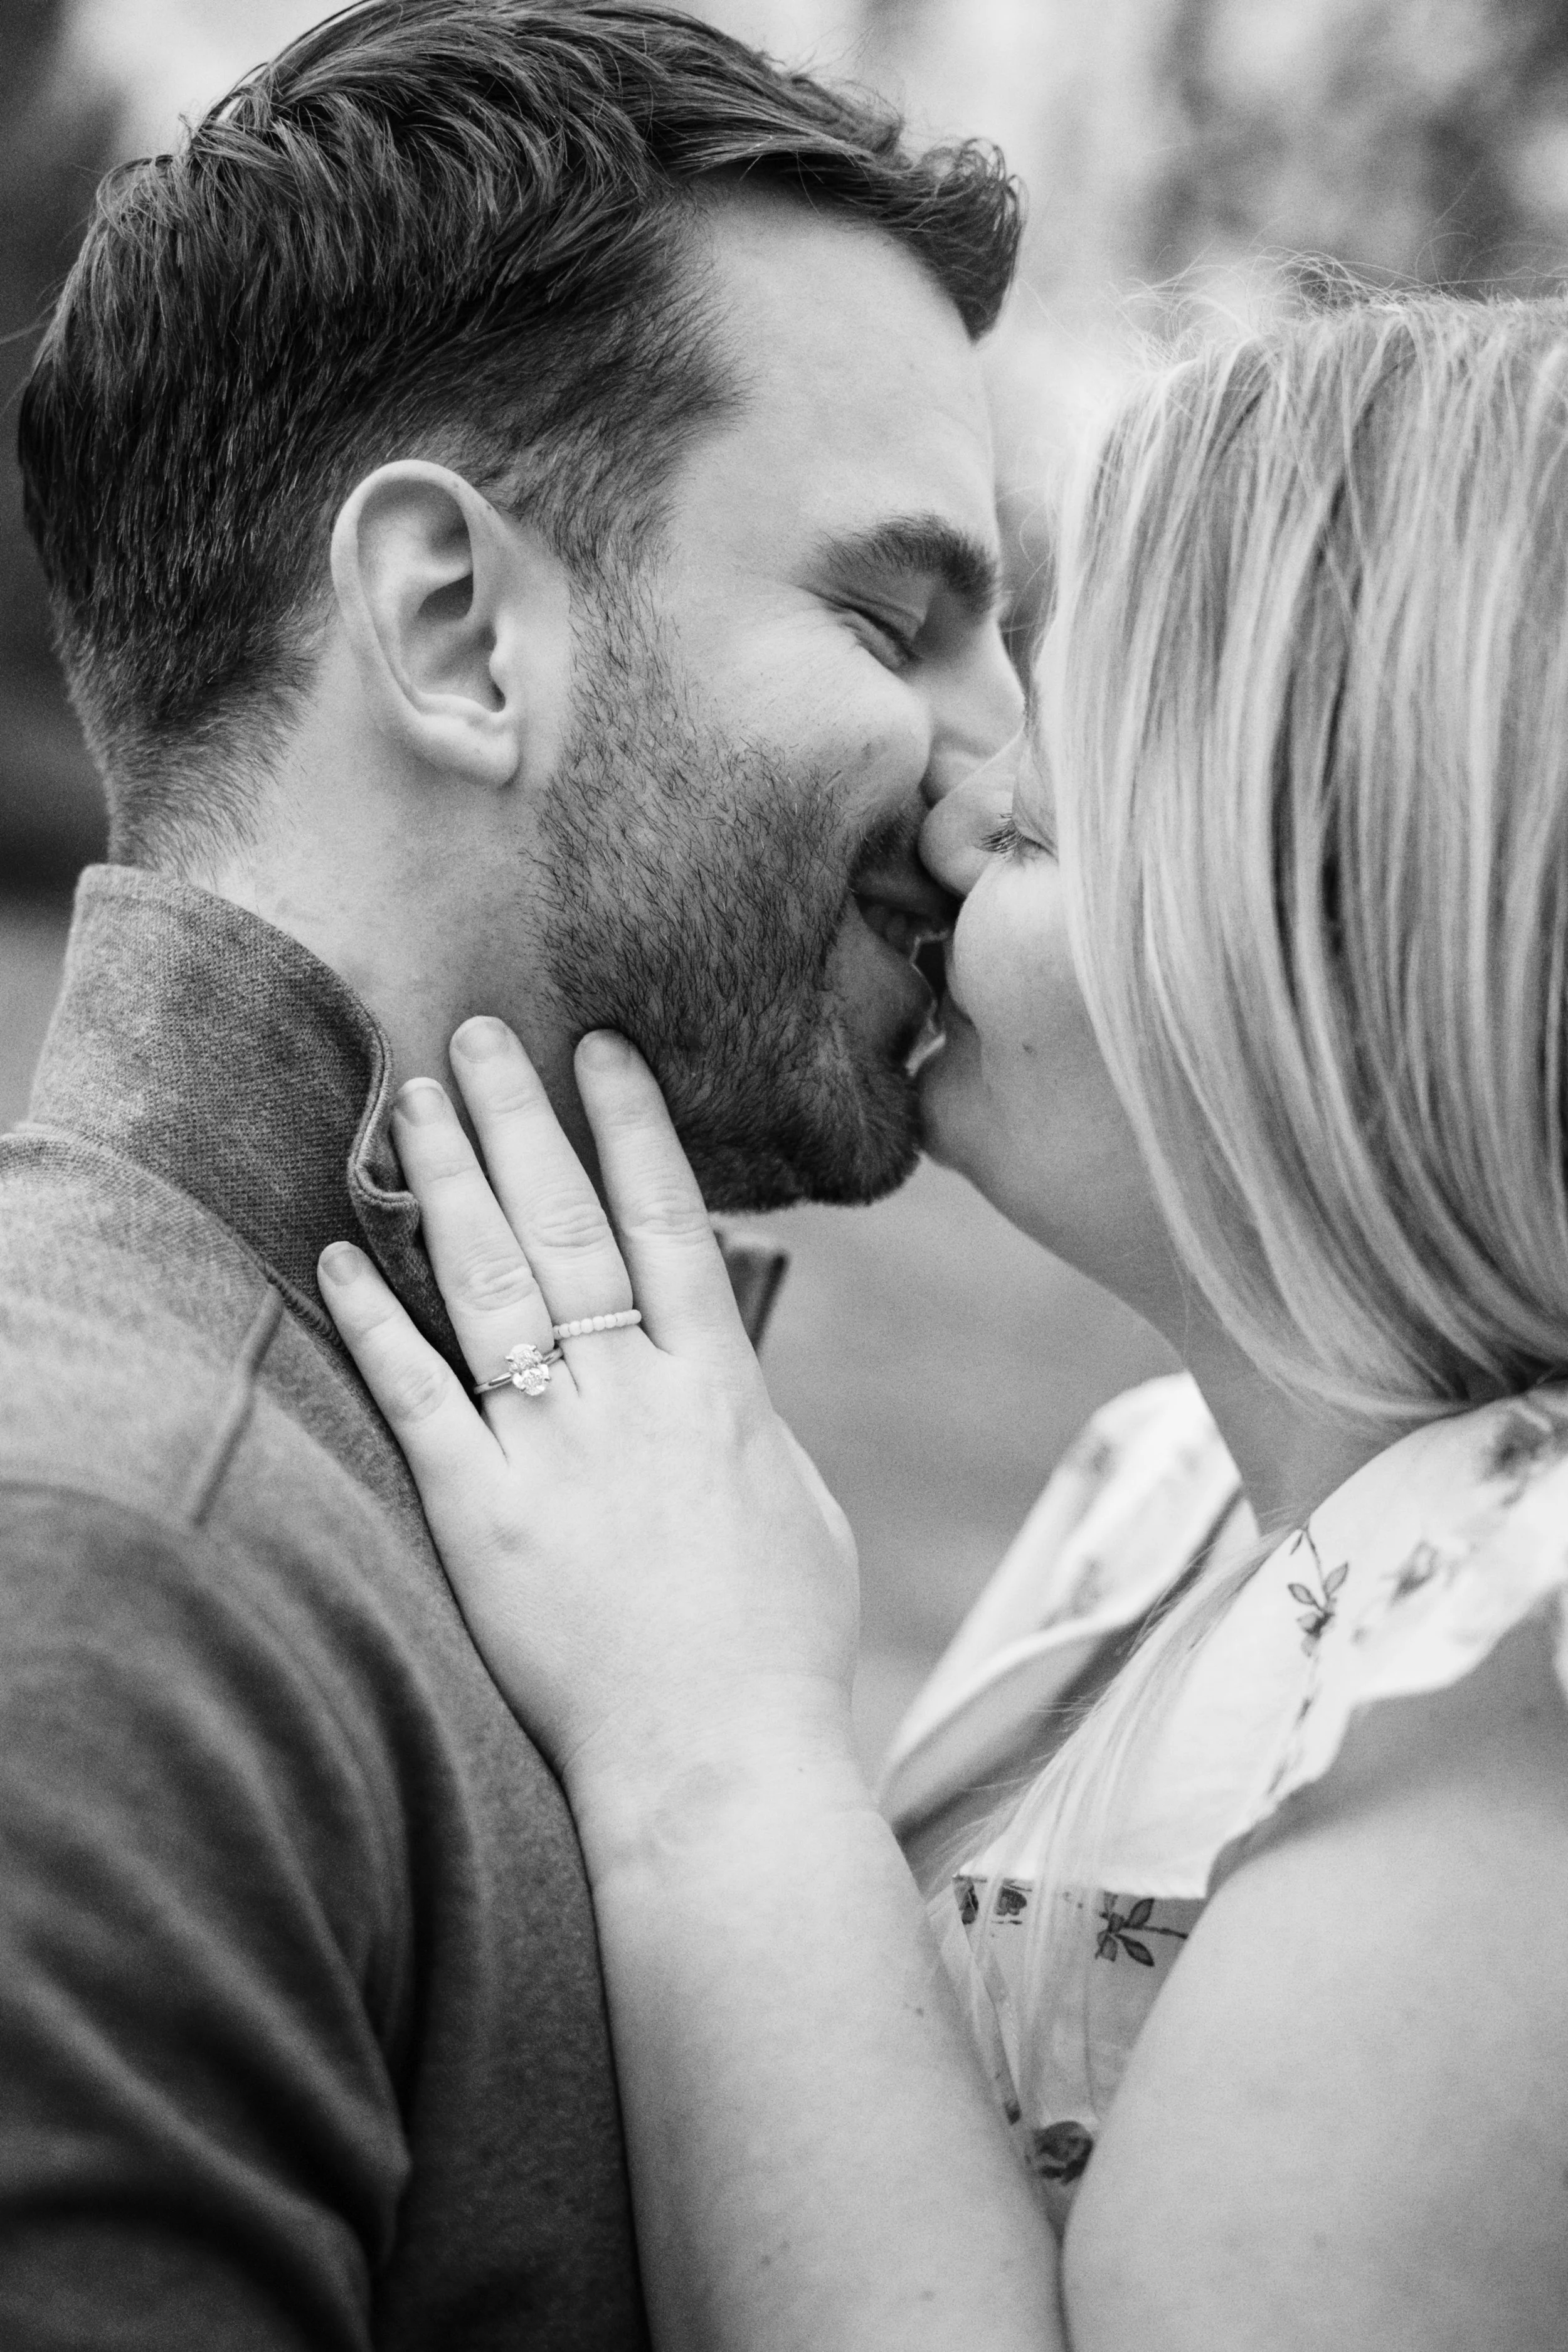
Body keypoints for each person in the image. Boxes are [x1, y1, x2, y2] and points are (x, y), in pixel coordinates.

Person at [327, 290, 1568, 2349]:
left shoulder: (1489, 1787)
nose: (951, 808)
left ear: (1328, 936)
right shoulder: (1168, 1489)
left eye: (1054, 789)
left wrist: (710, 1747)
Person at [0, 3, 1024, 2341]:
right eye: (895, 619)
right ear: (460, 630)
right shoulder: (107, 1589)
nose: (1009, 784)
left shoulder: (523, 1513)